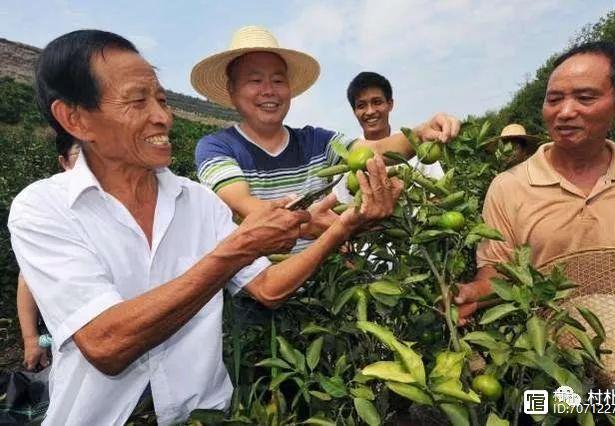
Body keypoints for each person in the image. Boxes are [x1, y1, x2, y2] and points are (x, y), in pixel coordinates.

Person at [9, 30, 402, 425]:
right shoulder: (43, 209)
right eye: (137, 100)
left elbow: (269, 288)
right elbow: (107, 342)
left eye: (162, 99)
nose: (163, 115)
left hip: (204, 415)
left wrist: (344, 226)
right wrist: (237, 249)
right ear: (74, 118)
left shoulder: (197, 202)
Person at [191, 26, 459, 251]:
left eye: (278, 80)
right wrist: (307, 223)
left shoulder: (316, 141)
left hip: (325, 287)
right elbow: (247, 205)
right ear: (232, 90)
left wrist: (420, 133)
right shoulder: (217, 147)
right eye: (255, 80)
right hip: (257, 292)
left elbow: (373, 149)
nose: (268, 91)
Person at [455, 41, 615, 325]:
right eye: (553, 100)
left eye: (585, 98)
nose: (565, 112)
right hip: (552, 360)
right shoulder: (508, 187)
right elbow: (499, 272)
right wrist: (473, 293)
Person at [334, 71, 445, 202]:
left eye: (377, 102)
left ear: (390, 104)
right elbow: (344, 210)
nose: (370, 111)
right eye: (361, 105)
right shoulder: (348, 157)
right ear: (355, 111)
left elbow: (439, 194)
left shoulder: (416, 147)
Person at [17, 142, 80, 371]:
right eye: (80, 153)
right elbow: (27, 279)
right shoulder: (50, 209)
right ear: (64, 162)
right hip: (66, 332)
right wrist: (31, 339)